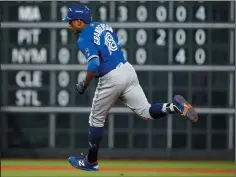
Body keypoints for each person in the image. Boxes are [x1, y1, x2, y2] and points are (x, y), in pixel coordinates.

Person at [63, 4, 198, 172]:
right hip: (127, 69)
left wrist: (84, 84)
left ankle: (91, 162)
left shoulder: (83, 38)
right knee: (147, 112)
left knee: (96, 119)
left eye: (70, 21)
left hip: (111, 77)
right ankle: (174, 106)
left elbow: (94, 64)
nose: (69, 25)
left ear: (79, 22)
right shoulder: (102, 26)